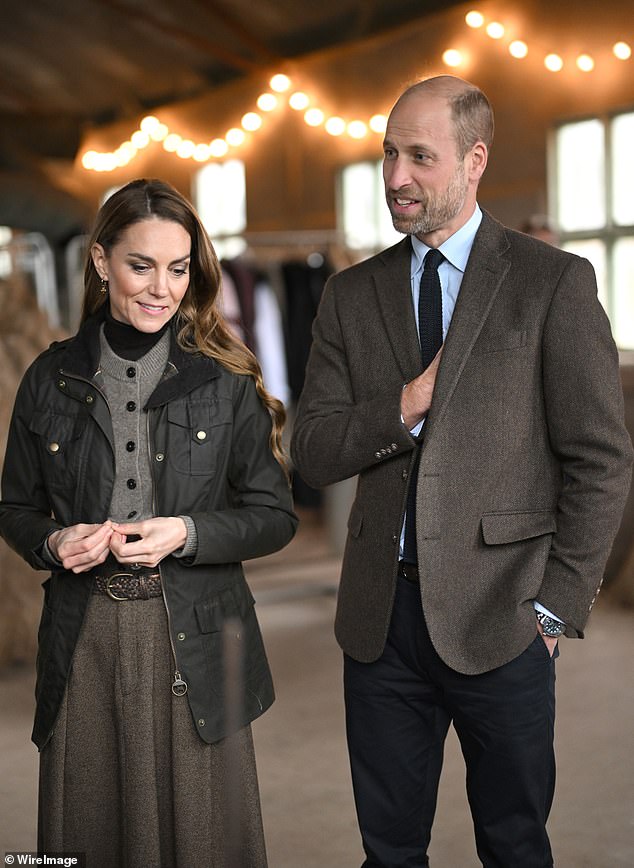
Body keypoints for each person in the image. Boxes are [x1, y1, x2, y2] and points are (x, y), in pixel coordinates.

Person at [291, 75, 633, 868]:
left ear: (475, 161)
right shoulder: (349, 295)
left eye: (420, 156)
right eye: (388, 154)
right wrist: (406, 403)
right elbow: (312, 450)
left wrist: (555, 610)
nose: (396, 176)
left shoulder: (552, 282)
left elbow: (601, 458)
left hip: (506, 614)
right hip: (379, 624)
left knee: (514, 845)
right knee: (389, 851)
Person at [0, 178, 297, 867]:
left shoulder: (227, 379)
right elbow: (13, 508)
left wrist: (187, 533)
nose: (162, 289)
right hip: (85, 636)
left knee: (203, 836)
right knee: (91, 829)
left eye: (178, 268)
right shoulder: (47, 377)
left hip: (196, 632)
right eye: (141, 266)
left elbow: (274, 517)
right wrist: (53, 540)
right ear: (101, 262)